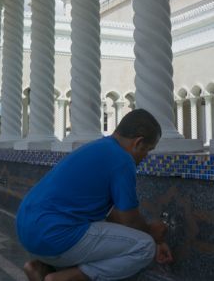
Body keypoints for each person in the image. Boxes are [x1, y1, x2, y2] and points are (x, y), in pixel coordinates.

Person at [16, 109, 173, 281]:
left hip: (27, 230)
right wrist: (152, 233)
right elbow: (129, 220)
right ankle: (64, 278)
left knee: (94, 239)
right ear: (138, 142)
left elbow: (115, 216)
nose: (145, 157)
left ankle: (40, 268)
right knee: (144, 247)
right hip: (55, 235)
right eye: (148, 150)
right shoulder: (122, 159)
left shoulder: (98, 147)